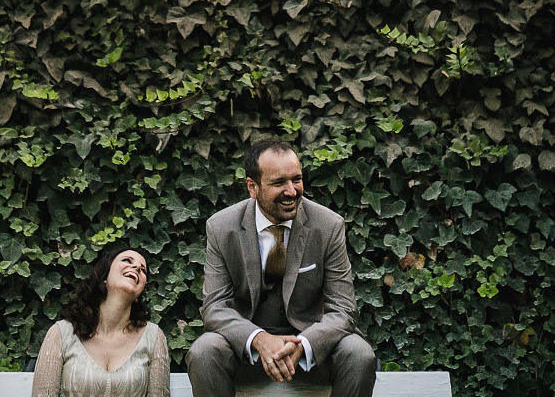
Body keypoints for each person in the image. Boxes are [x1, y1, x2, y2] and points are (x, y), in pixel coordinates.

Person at [186, 139, 376, 397]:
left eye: (296, 179)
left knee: (359, 353)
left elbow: (343, 308)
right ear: (253, 187)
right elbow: (215, 308)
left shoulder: (328, 225)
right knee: (204, 351)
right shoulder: (222, 227)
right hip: (247, 353)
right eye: (278, 183)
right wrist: (258, 339)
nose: (291, 191)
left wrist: (305, 344)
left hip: (311, 351)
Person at [31, 243, 170, 397]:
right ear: (105, 277)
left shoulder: (153, 337)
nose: (137, 267)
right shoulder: (61, 333)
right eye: (127, 261)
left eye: (143, 269)